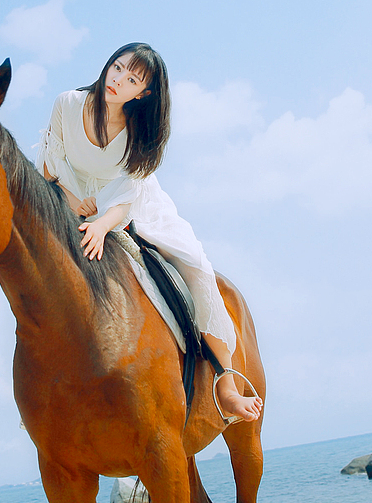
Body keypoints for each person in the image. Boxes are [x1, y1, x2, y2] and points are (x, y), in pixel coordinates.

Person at [38, 42, 263, 422]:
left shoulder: (141, 132)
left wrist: (103, 223)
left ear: (143, 94)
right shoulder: (68, 103)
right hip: (67, 196)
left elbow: (128, 197)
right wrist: (75, 202)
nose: (117, 79)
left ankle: (225, 378)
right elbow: (50, 165)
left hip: (126, 204)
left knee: (194, 264)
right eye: (117, 67)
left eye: (131, 79)